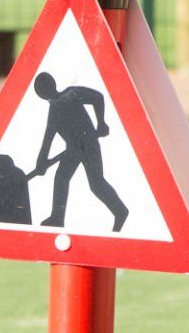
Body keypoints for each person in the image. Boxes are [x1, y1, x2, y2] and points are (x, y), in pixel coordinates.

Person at [30, 72, 127, 231]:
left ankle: (120, 211)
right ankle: (57, 218)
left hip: (88, 144)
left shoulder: (71, 94)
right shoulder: (53, 112)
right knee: (61, 178)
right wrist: (41, 162)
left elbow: (97, 97)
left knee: (96, 184)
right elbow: (47, 141)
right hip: (72, 149)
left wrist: (101, 123)